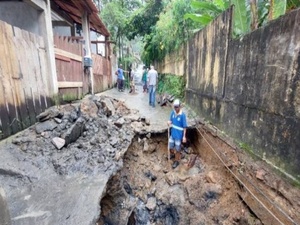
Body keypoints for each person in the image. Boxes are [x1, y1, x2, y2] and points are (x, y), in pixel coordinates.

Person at [167, 99, 187, 169]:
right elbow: (170, 121)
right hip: (172, 134)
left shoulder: (182, 115)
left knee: (178, 149)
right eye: (174, 107)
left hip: (178, 136)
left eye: (177, 107)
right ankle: (173, 154)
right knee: (171, 146)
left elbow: (184, 127)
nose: (176, 108)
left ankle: (177, 160)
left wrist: (184, 136)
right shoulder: (172, 113)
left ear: (180, 106)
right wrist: (169, 122)